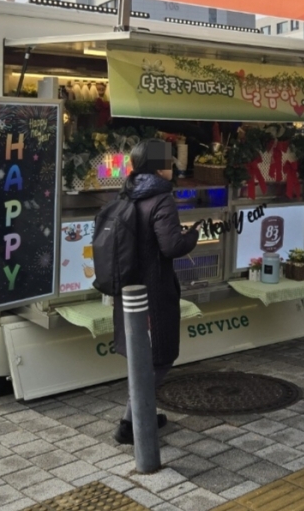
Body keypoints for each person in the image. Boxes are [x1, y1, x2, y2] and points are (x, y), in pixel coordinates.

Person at [112, 139, 201, 444]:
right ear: (155, 167)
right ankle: (131, 423)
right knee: (160, 357)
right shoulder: (161, 199)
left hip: (128, 287)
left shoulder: (127, 193)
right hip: (154, 291)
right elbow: (171, 246)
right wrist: (193, 236)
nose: (171, 167)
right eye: (167, 162)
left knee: (141, 355)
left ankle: (139, 416)